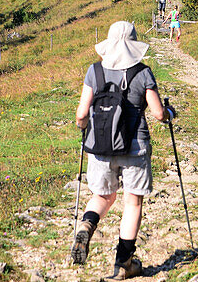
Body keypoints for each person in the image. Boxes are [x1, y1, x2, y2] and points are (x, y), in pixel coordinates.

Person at [72, 20, 175, 279]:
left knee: (103, 196)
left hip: (101, 146)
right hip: (135, 147)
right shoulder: (143, 73)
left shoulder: (94, 72)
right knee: (132, 202)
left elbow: (81, 114)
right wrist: (170, 113)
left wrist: (83, 127)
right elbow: (158, 113)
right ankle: (123, 263)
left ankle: (87, 224)